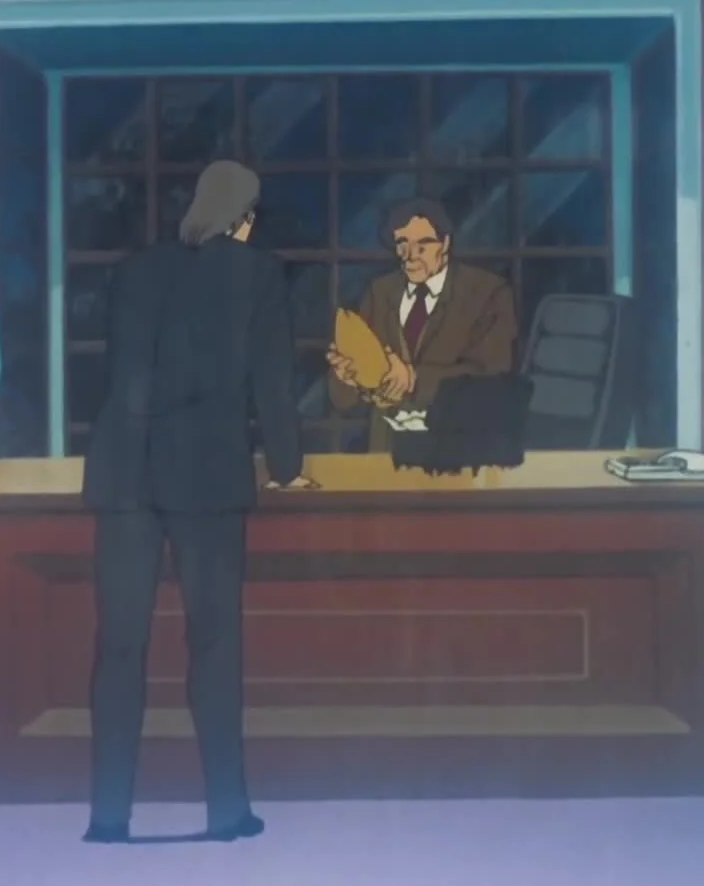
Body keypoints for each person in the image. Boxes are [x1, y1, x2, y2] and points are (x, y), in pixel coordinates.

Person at [80, 160, 316, 844]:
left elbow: (120, 375)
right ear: (243, 218)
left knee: (119, 645)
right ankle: (227, 809)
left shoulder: (136, 271)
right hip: (207, 475)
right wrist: (288, 465)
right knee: (213, 644)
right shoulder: (258, 275)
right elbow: (273, 385)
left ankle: (108, 816)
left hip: (124, 474)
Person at [326, 197, 519, 451]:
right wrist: (346, 380)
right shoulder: (380, 292)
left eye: (423, 245)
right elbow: (344, 402)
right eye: (402, 244)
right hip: (386, 451)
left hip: (458, 450)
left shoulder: (487, 293)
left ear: (445, 243)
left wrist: (413, 380)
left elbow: (491, 380)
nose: (410, 256)